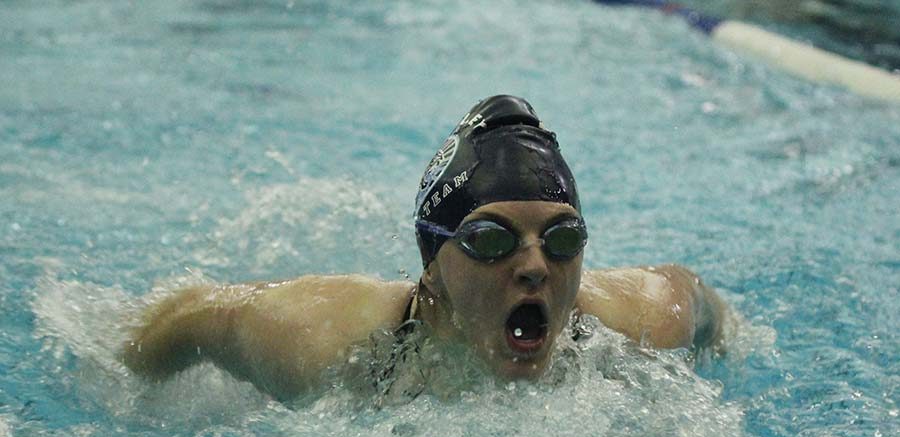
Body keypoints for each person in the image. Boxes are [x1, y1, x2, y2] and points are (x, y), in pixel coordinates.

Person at [122, 95, 727, 401]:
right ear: (432, 266)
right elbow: (198, 315)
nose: (536, 267)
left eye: (562, 237)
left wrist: (727, 340)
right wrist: (124, 378)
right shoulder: (327, 340)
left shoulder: (638, 322)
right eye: (491, 240)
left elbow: (697, 298)